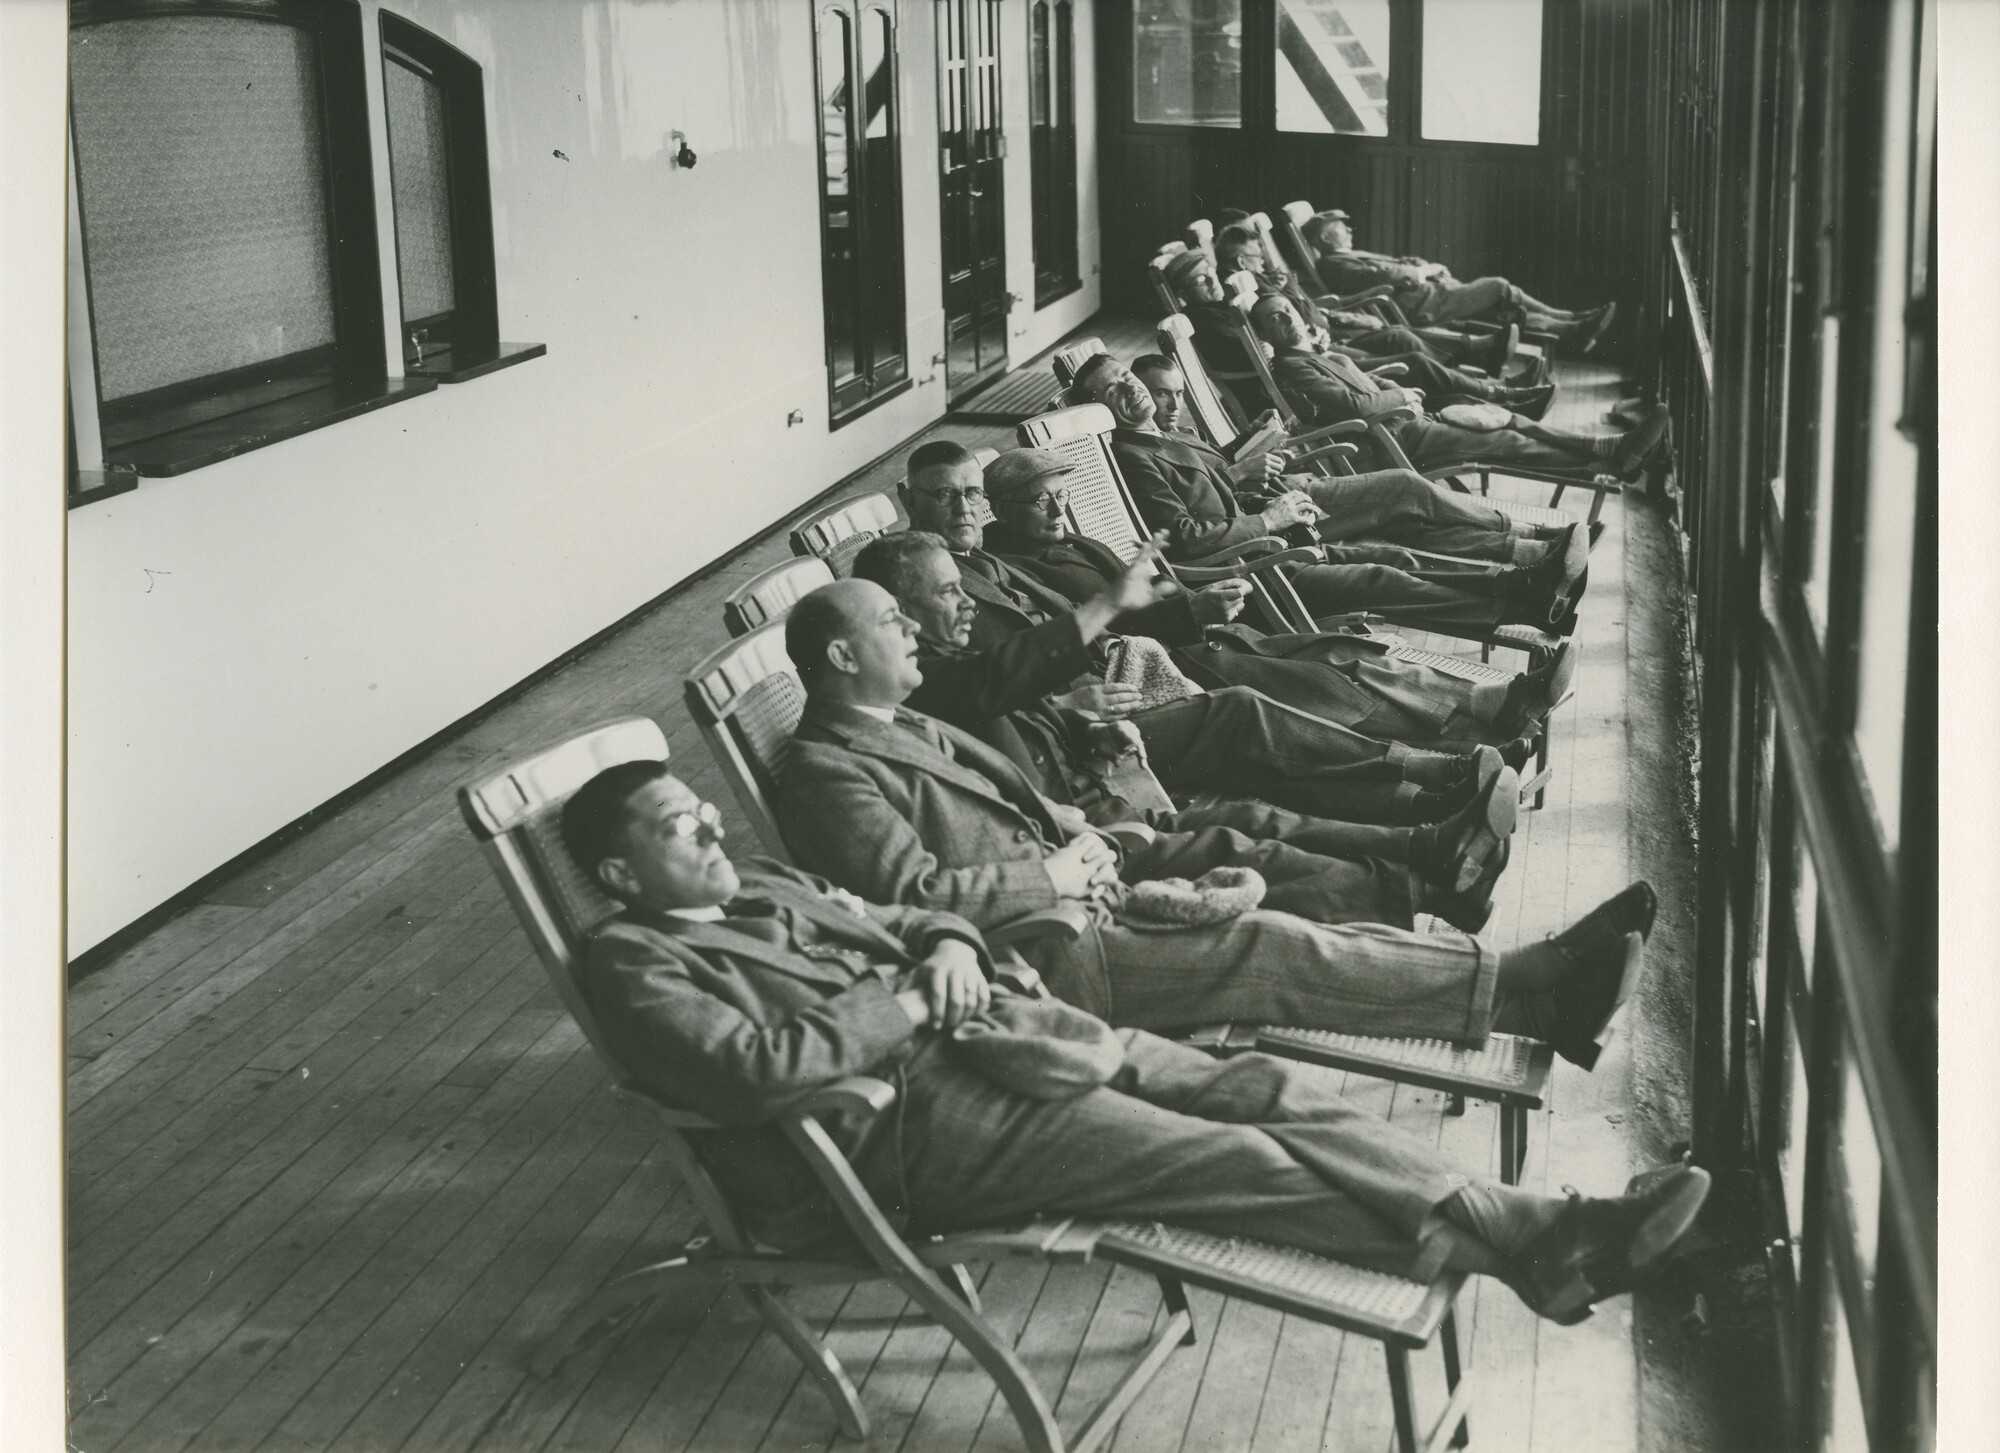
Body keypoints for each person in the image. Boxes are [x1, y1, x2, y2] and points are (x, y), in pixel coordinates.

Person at [562, 759, 1711, 1322]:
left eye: (701, 807)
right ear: (621, 873)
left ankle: (1536, 1241)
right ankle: (1530, 1235)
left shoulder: (755, 882)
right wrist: (912, 1003)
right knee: (1225, 1162)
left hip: (1008, 1029)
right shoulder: (629, 962)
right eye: (678, 826)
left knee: (1254, 1084)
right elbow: (742, 1071)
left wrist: (951, 948)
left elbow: (909, 912)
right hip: (904, 1129)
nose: (711, 825)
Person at [771, 576, 1658, 1069]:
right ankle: (1524, 985)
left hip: (1083, 876)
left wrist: (1083, 829)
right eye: (893, 620)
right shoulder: (822, 769)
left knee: (1241, 848)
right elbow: (910, 894)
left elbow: (1010, 802)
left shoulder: (907, 721)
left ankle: (1465, 923)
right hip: (1036, 952)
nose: (911, 630)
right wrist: (1058, 875)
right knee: (1263, 946)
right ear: (843, 656)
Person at [849, 531, 1521, 930]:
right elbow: (990, 688)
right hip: (1079, 837)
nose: (964, 599)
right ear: (898, 614)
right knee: (1242, 829)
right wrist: (1109, 605)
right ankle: (1426, 869)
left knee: (1251, 801)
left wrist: (1084, 725)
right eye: (945, 594)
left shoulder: (935, 660)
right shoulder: (919, 681)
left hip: (1094, 769)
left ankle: (1428, 840)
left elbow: (1004, 700)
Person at [973, 446, 1575, 747]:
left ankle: (1494, 698)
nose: (1059, 509)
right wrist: (1193, 606)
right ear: (999, 511)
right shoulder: (1015, 569)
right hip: (1175, 662)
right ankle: (1474, 729)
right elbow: (1094, 634)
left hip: (1206, 627)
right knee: (1327, 681)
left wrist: (1200, 596)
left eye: (1060, 495)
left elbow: (1155, 583)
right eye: (1040, 501)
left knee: (1342, 651)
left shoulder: (1070, 538)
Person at [1067, 354, 1589, 631]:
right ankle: (1524, 580)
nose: (1132, 388)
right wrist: (1269, 517)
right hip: (1253, 558)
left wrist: (1253, 461)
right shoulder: (1133, 457)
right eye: (1114, 389)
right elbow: (1183, 538)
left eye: (1127, 376)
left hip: (1275, 513)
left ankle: (1527, 577)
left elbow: (1212, 477)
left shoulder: (1163, 429)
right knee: (1393, 534)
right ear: (1097, 407)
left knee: (1399, 537)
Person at [1250, 294, 1672, 480]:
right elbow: (1352, 404)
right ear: (1265, 332)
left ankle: (1609, 450)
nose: (1286, 319)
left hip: (1404, 418)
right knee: (1503, 439)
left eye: (1286, 310)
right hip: (1388, 436)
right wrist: (1403, 396)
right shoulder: (1293, 368)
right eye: (1275, 319)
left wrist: (1394, 389)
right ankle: (1604, 464)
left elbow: (1363, 381)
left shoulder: (1314, 353)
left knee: (1507, 419)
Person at [1203, 232, 1557, 419]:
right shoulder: (1245, 290)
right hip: (1323, 353)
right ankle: (1497, 391)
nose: (1264, 259)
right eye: (1256, 256)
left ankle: (1495, 386)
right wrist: (1309, 327)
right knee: (1411, 358)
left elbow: (1301, 311)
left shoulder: (1261, 282)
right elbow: (1289, 323)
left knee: (1402, 341)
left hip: (1321, 344)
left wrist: (1298, 305)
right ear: (1240, 260)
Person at [1301, 208, 1617, 349]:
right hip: (1425, 305)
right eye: (1343, 227)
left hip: (1433, 292)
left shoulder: (1347, 256)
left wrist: (1424, 265)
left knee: (1506, 311)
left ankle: (1575, 327)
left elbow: (1397, 264)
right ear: (1327, 238)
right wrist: (1422, 272)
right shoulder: (1333, 265)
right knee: (1498, 286)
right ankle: (1569, 319)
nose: (1350, 230)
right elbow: (1388, 275)